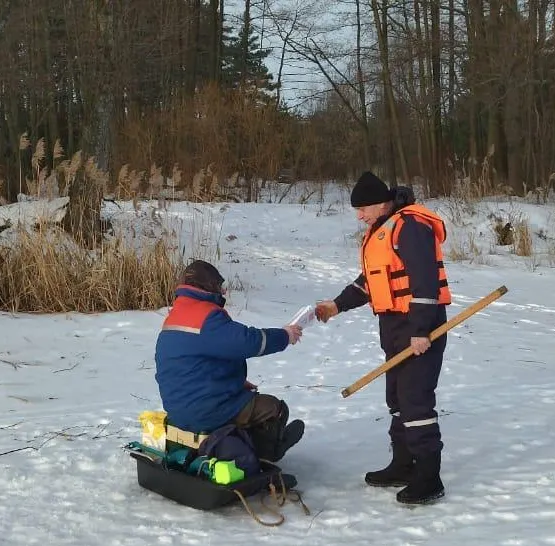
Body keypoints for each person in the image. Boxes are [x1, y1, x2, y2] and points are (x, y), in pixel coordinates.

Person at [315, 171, 452, 505]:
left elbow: (424, 282)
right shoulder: (382, 230)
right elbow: (370, 282)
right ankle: (403, 464)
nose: (359, 215)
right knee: (397, 399)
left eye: (363, 208)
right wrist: (337, 305)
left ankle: (429, 477)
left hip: (419, 324)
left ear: (382, 202)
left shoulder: (411, 227)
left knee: (416, 400)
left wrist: (421, 330)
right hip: (392, 326)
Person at [155, 260, 305, 463]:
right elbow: (249, 342)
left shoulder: (174, 317)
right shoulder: (206, 316)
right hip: (206, 410)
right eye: (219, 286)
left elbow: (193, 366)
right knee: (274, 409)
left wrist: (236, 383)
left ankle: (234, 446)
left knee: (243, 397)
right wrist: (285, 335)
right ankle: (263, 458)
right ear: (207, 287)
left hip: (177, 409)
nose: (223, 292)